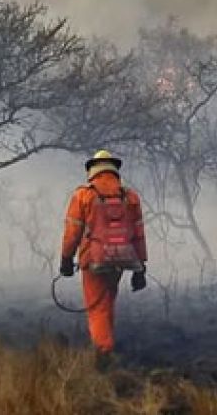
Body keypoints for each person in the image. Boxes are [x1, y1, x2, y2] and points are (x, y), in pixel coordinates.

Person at [61, 150, 147, 362]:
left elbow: (73, 232)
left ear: (92, 170)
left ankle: (103, 352)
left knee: (97, 307)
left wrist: (65, 259)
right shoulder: (130, 197)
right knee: (107, 302)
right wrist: (141, 268)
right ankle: (106, 342)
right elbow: (138, 234)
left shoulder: (83, 195)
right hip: (122, 259)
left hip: (94, 260)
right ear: (114, 170)